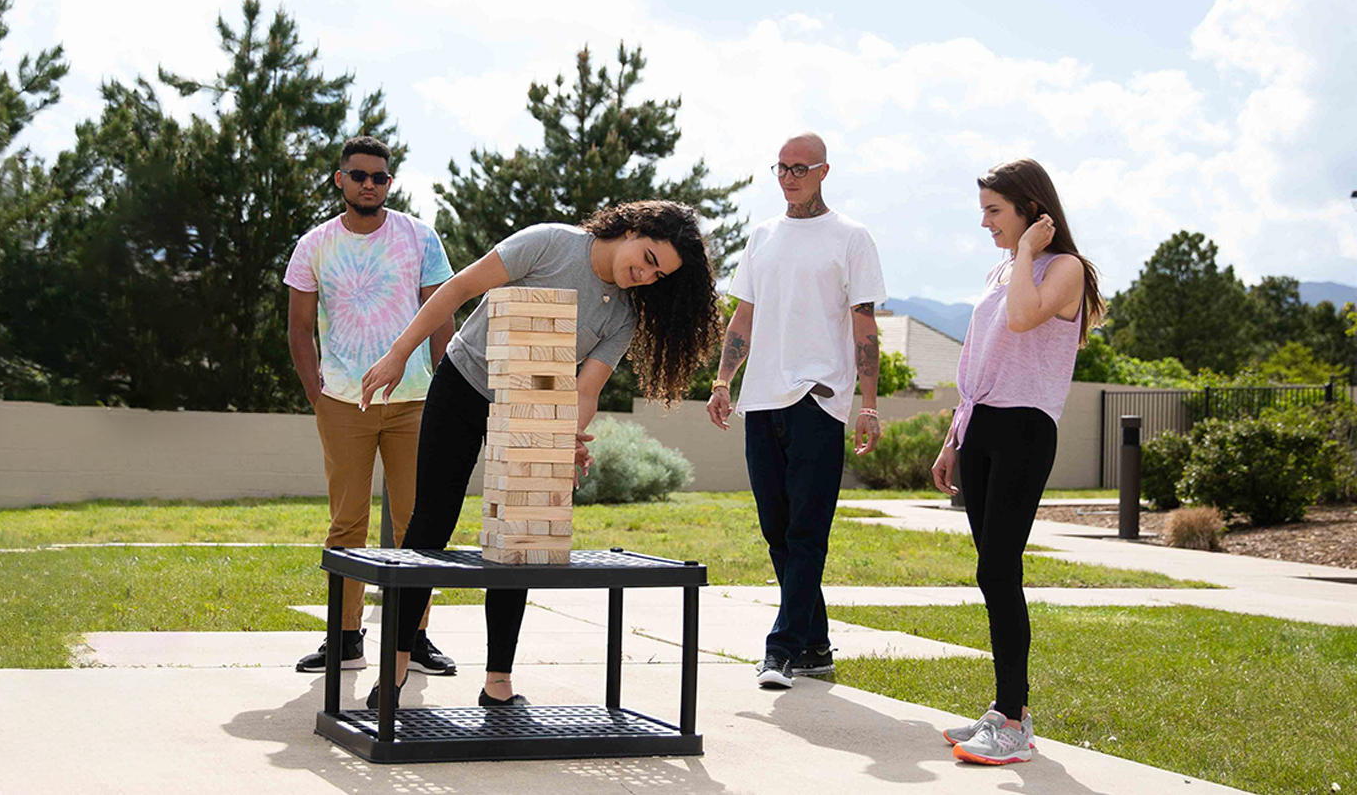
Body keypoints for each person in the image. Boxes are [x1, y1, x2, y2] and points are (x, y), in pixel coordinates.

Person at [359, 200, 721, 709]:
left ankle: (497, 681)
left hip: (530, 406)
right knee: (431, 521)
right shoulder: (550, 242)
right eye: (646, 258)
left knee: (521, 532)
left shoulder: (622, 315)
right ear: (637, 228)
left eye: (656, 275)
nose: (643, 275)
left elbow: (586, 389)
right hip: (464, 381)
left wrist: (564, 436)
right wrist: (400, 352)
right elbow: (459, 288)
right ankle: (393, 668)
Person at [930, 158, 1105, 765]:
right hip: (981, 425)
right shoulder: (1007, 267)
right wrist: (955, 437)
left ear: (1031, 208)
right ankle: (1009, 710)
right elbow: (982, 358)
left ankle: (1013, 719)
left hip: (1026, 427)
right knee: (990, 569)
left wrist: (1030, 250)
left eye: (994, 211)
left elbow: (1023, 318)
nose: (985, 223)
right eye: (983, 211)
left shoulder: (1064, 269)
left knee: (998, 569)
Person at [706, 132, 886, 690]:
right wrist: (722, 380)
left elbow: (864, 327)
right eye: (781, 167)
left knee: (807, 532)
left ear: (824, 171)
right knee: (777, 533)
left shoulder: (852, 238)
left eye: (800, 168)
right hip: (760, 401)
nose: (788, 177)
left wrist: (870, 405)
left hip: (818, 400)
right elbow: (743, 316)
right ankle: (814, 646)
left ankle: (780, 650)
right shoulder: (762, 236)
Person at [284, 136, 459, 676]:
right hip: (343, 403)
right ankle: (345, 638)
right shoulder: (314, 245)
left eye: (379, 177)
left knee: (417, 524)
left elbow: (441, 315)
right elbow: (298, 326)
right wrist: (317, 391)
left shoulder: (420, 237)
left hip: (414, 403)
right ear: (340, 179)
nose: (368, 184)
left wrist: (443, 388)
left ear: (390, 182)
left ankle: (416, 637)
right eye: (358, 175)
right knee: (347, 523)